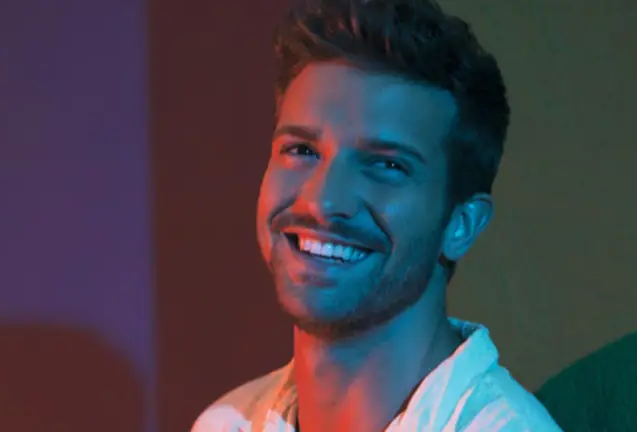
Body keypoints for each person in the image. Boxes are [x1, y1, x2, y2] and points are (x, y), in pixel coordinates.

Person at [192, 0, 562, 430]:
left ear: (461, 224)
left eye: (386, 164)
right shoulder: (228, 422)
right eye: (302, 150)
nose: (322, 201)